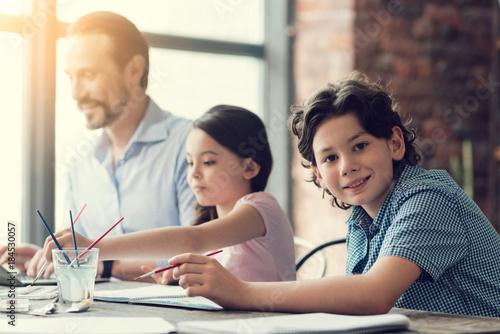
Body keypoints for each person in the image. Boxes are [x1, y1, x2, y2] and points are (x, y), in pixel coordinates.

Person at [160, 72, 500, 317]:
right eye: (330, 158)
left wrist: (242, 292)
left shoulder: (429, 197)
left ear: (395, 143)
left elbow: (373, 296)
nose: (347, 166)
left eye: (361, 146)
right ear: (319, 176)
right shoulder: (360, 222)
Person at [0, 11, 197, 281]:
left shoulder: (191, 146)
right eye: (71, 77)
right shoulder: (80, 163)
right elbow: (79, 251)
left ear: (134, 71)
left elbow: (203, 257)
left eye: (88, 74)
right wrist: (49, 257)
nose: (76, 93)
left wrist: (104, 265)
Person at [43, 105, 297, 283]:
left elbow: (194, 239)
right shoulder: (210, 227)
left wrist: (93, 247)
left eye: (208, 162)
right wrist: (174, 278)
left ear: (250, 167)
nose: (194, 174)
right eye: (189, 162)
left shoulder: (261, 209)